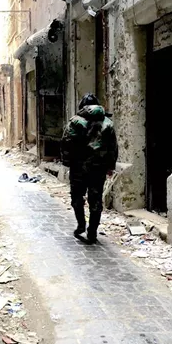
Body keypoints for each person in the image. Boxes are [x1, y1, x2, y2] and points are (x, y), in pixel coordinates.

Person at [61, 93, 118, 243]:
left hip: (78, 167)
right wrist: (110, 166)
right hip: (98, 168)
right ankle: (92, 232)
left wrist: (66, 161)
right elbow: (113, 147)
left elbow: (66, 142)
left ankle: (81, 225)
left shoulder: (75, 122)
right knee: (96, 200)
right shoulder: (107, 123)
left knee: (77, 197)